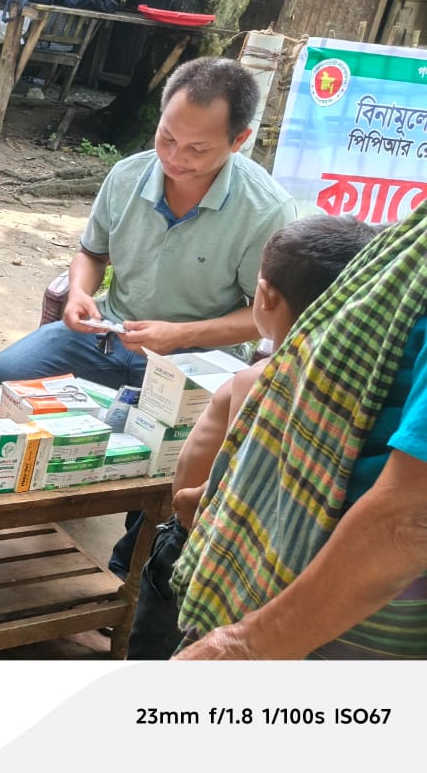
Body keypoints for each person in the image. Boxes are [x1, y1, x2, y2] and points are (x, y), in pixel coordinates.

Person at [171, 202, 427, 659]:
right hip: (317, 580)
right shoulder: (410, 248)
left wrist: (246, 646)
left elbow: (411, 519)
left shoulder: (251, 380)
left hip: (351, 601)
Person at [125, 215, 380, 659]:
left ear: (264, 296)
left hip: (204, 552)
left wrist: (187, 505)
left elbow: (222, 488)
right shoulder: (365, 392)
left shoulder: (260, 383)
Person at [0, 56, 297, 391]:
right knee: (1, 378)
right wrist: (78, 294)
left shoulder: (266, 210)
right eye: (168, 138)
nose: (175, 158)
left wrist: (182, 334)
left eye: (197, 149)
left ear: (238, 140)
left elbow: (267, 316)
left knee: (194, 435)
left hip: (200, 355)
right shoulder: (126, 176)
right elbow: (92, 255)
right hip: (108, 335)